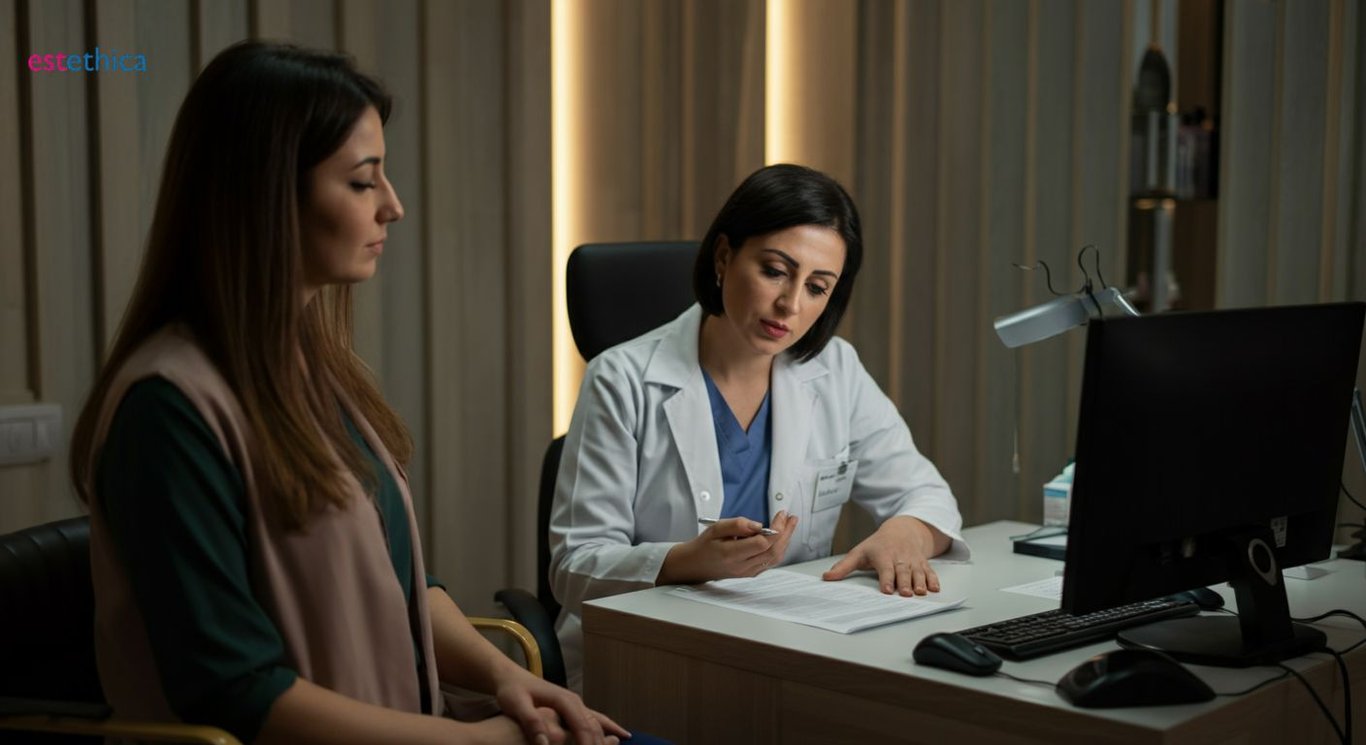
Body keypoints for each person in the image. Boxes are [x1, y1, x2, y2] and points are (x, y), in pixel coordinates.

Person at [69, 41, 629, 745]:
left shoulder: (314, 370)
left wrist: (504, 676)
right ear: (268, 194)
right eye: (363, 182)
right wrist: (481, 740)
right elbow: (238, 693)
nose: (392, 206)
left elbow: (403, 581)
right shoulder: (168, 411)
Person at [549, 163, 970, 692]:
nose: (791, 305)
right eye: (775, 271)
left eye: (817, 287)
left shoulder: (835, 370)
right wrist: (683, 561)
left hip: (785, 649)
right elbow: (575, 566)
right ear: (724, 257)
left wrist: (907, 531)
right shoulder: (622, 378)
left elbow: (926, 493)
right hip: (648, 658)